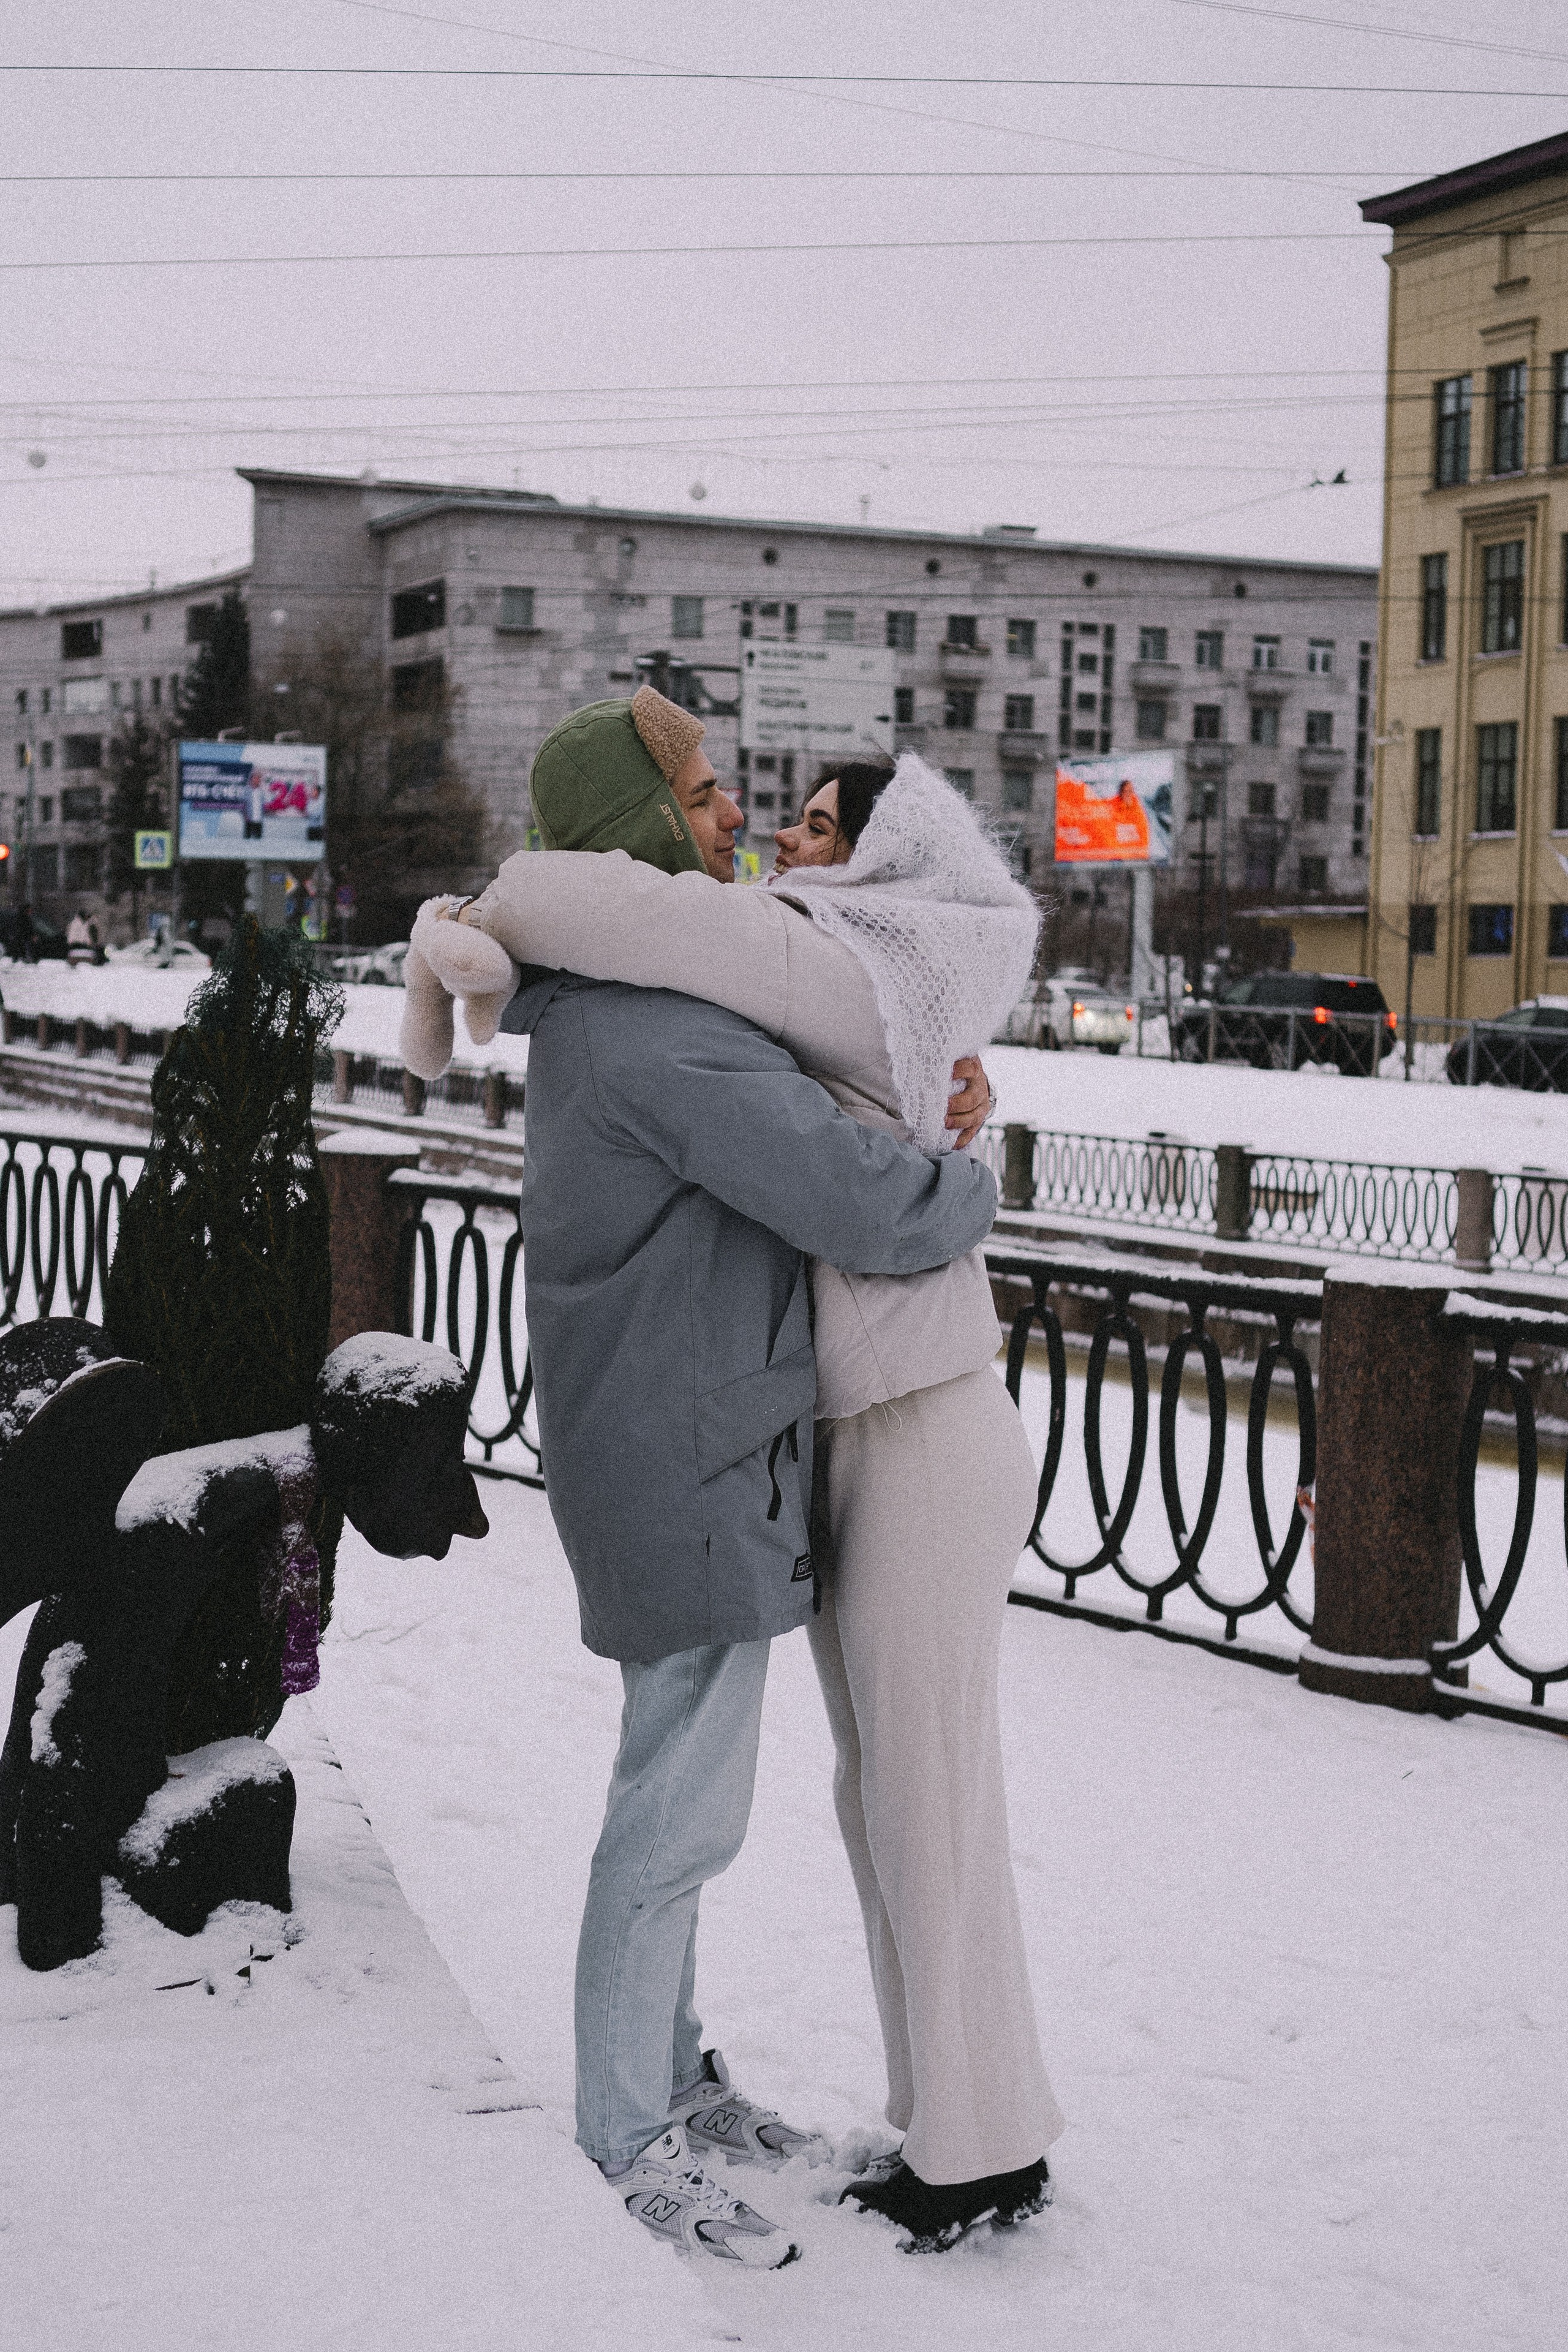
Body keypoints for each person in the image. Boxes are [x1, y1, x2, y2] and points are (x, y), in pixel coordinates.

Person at [413, 734, 1066, 2256]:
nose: (752, 827)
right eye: (711, 801)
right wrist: (971, 1176)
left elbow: (858, 1111)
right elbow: (849, 1193)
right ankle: (635, 2120)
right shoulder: (666, 1025)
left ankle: (923, 2130)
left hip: (786, 1441)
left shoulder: (703, 1001)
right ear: (642, 825)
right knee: (692, 1808)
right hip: (703, 1453)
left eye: (802, 819)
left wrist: (955, 1121)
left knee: (860, 1796)